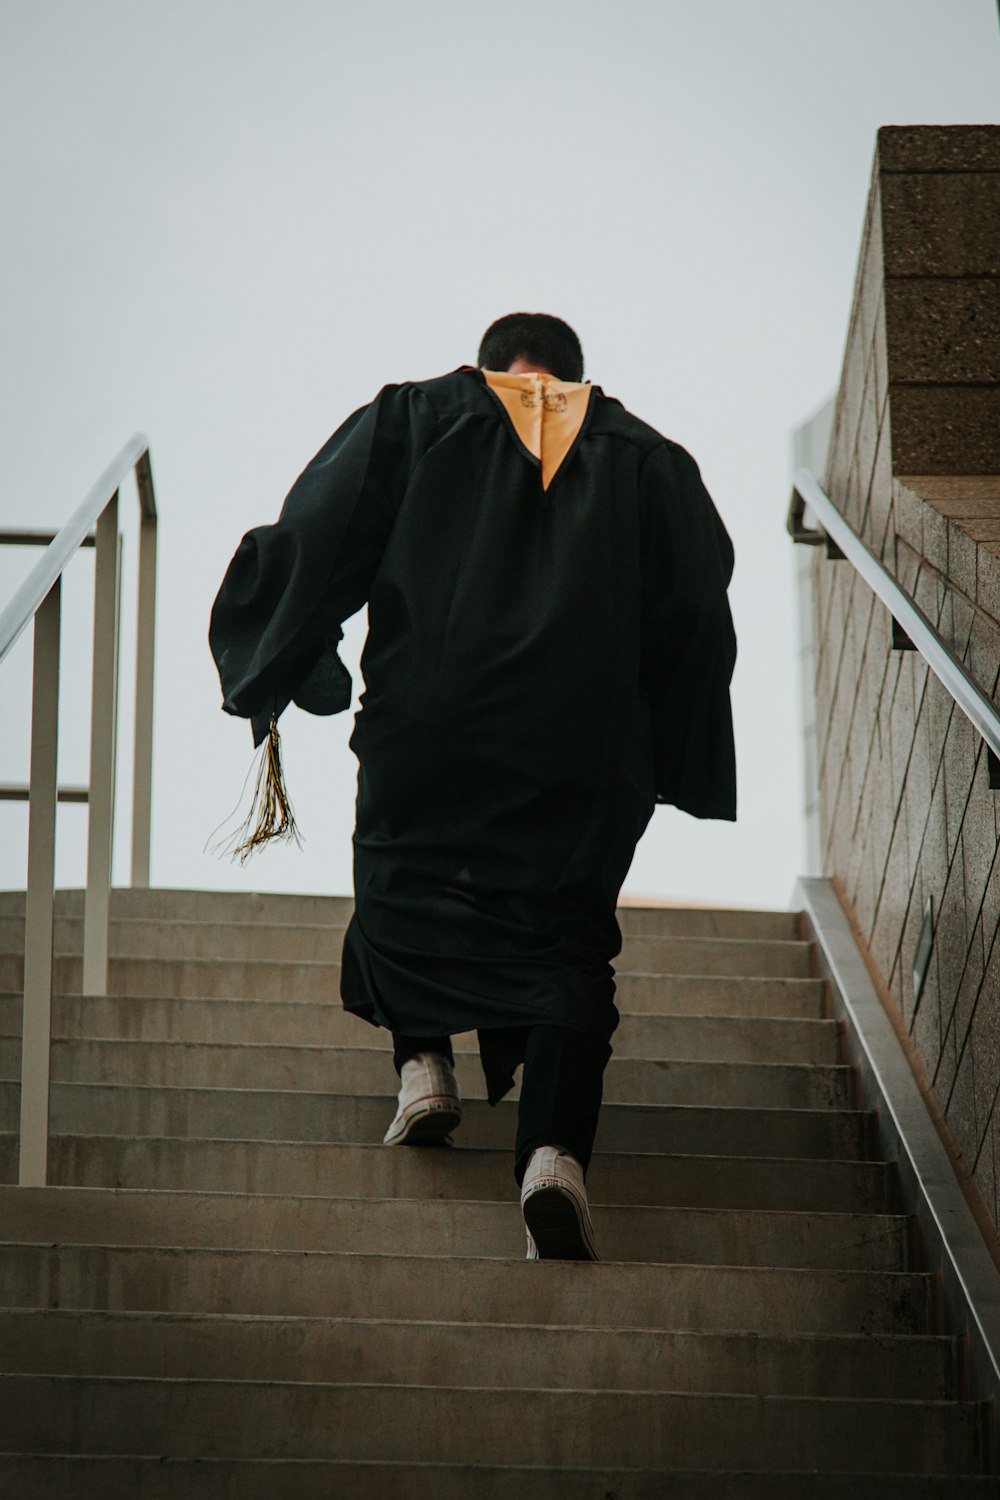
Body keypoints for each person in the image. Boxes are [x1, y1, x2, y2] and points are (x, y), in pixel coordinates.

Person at [209, 312, 737, 1261]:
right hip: (580, 748)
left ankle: (422, 1067)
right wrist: (660, 742)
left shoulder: (418, 418)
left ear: (492, 364)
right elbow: (695, 608)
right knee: (566, 935)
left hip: (428, 721)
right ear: (577, 375)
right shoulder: (647, 459)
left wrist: (292, 658)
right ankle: (552, 1159)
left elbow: (318, 534)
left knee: (401, 881)